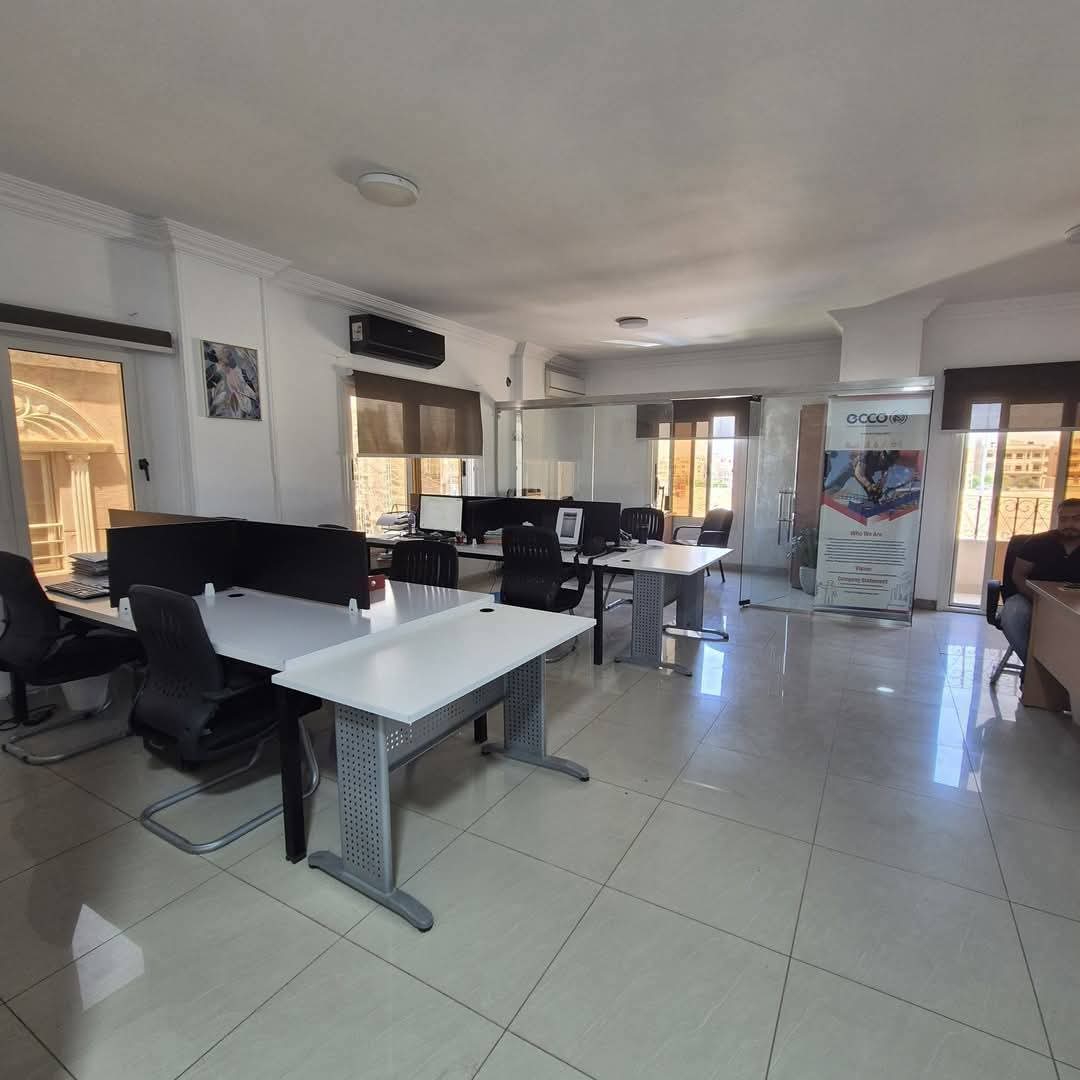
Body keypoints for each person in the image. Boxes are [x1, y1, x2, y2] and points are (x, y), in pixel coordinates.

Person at [999, 498, 1080, 663]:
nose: (1069, 524)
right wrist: (1038, 600)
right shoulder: (1038, 542)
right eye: (1063, 519)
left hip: (1075, 605)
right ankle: (1033, 667)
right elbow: (1018, 576)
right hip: (1032, 598)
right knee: (1012, 614)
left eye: (1076, 519)